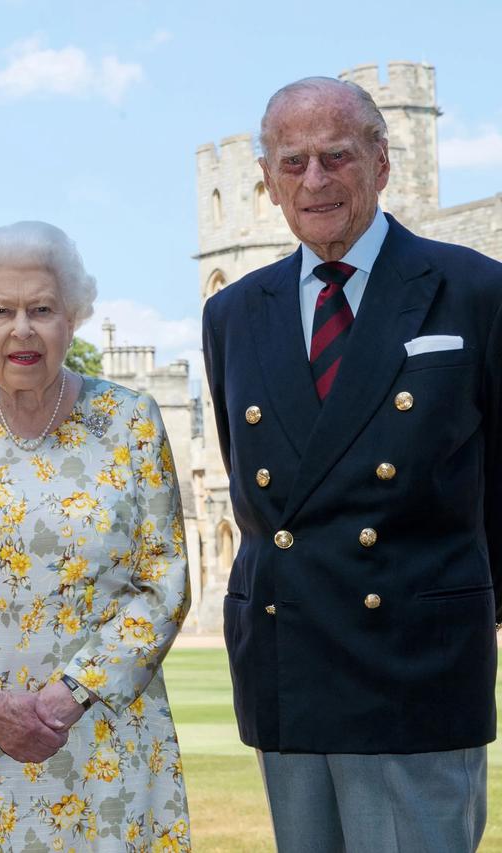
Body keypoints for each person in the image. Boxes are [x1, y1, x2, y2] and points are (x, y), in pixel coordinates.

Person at [202, 76, 502, 852]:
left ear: (382, 161)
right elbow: (256, 489)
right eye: (292, 161)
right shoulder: (233, 313)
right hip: (288, 662)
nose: (315, 179)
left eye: (336, 156)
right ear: (265, 182)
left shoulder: (473, 289)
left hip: (415, 667)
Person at [0, 221, 192, 852]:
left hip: (103, 738)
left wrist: (70, 695)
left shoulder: (131, 421)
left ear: (73, 320)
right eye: (1, 310)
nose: (22, 329)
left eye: (43, 309)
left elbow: (164, 582)